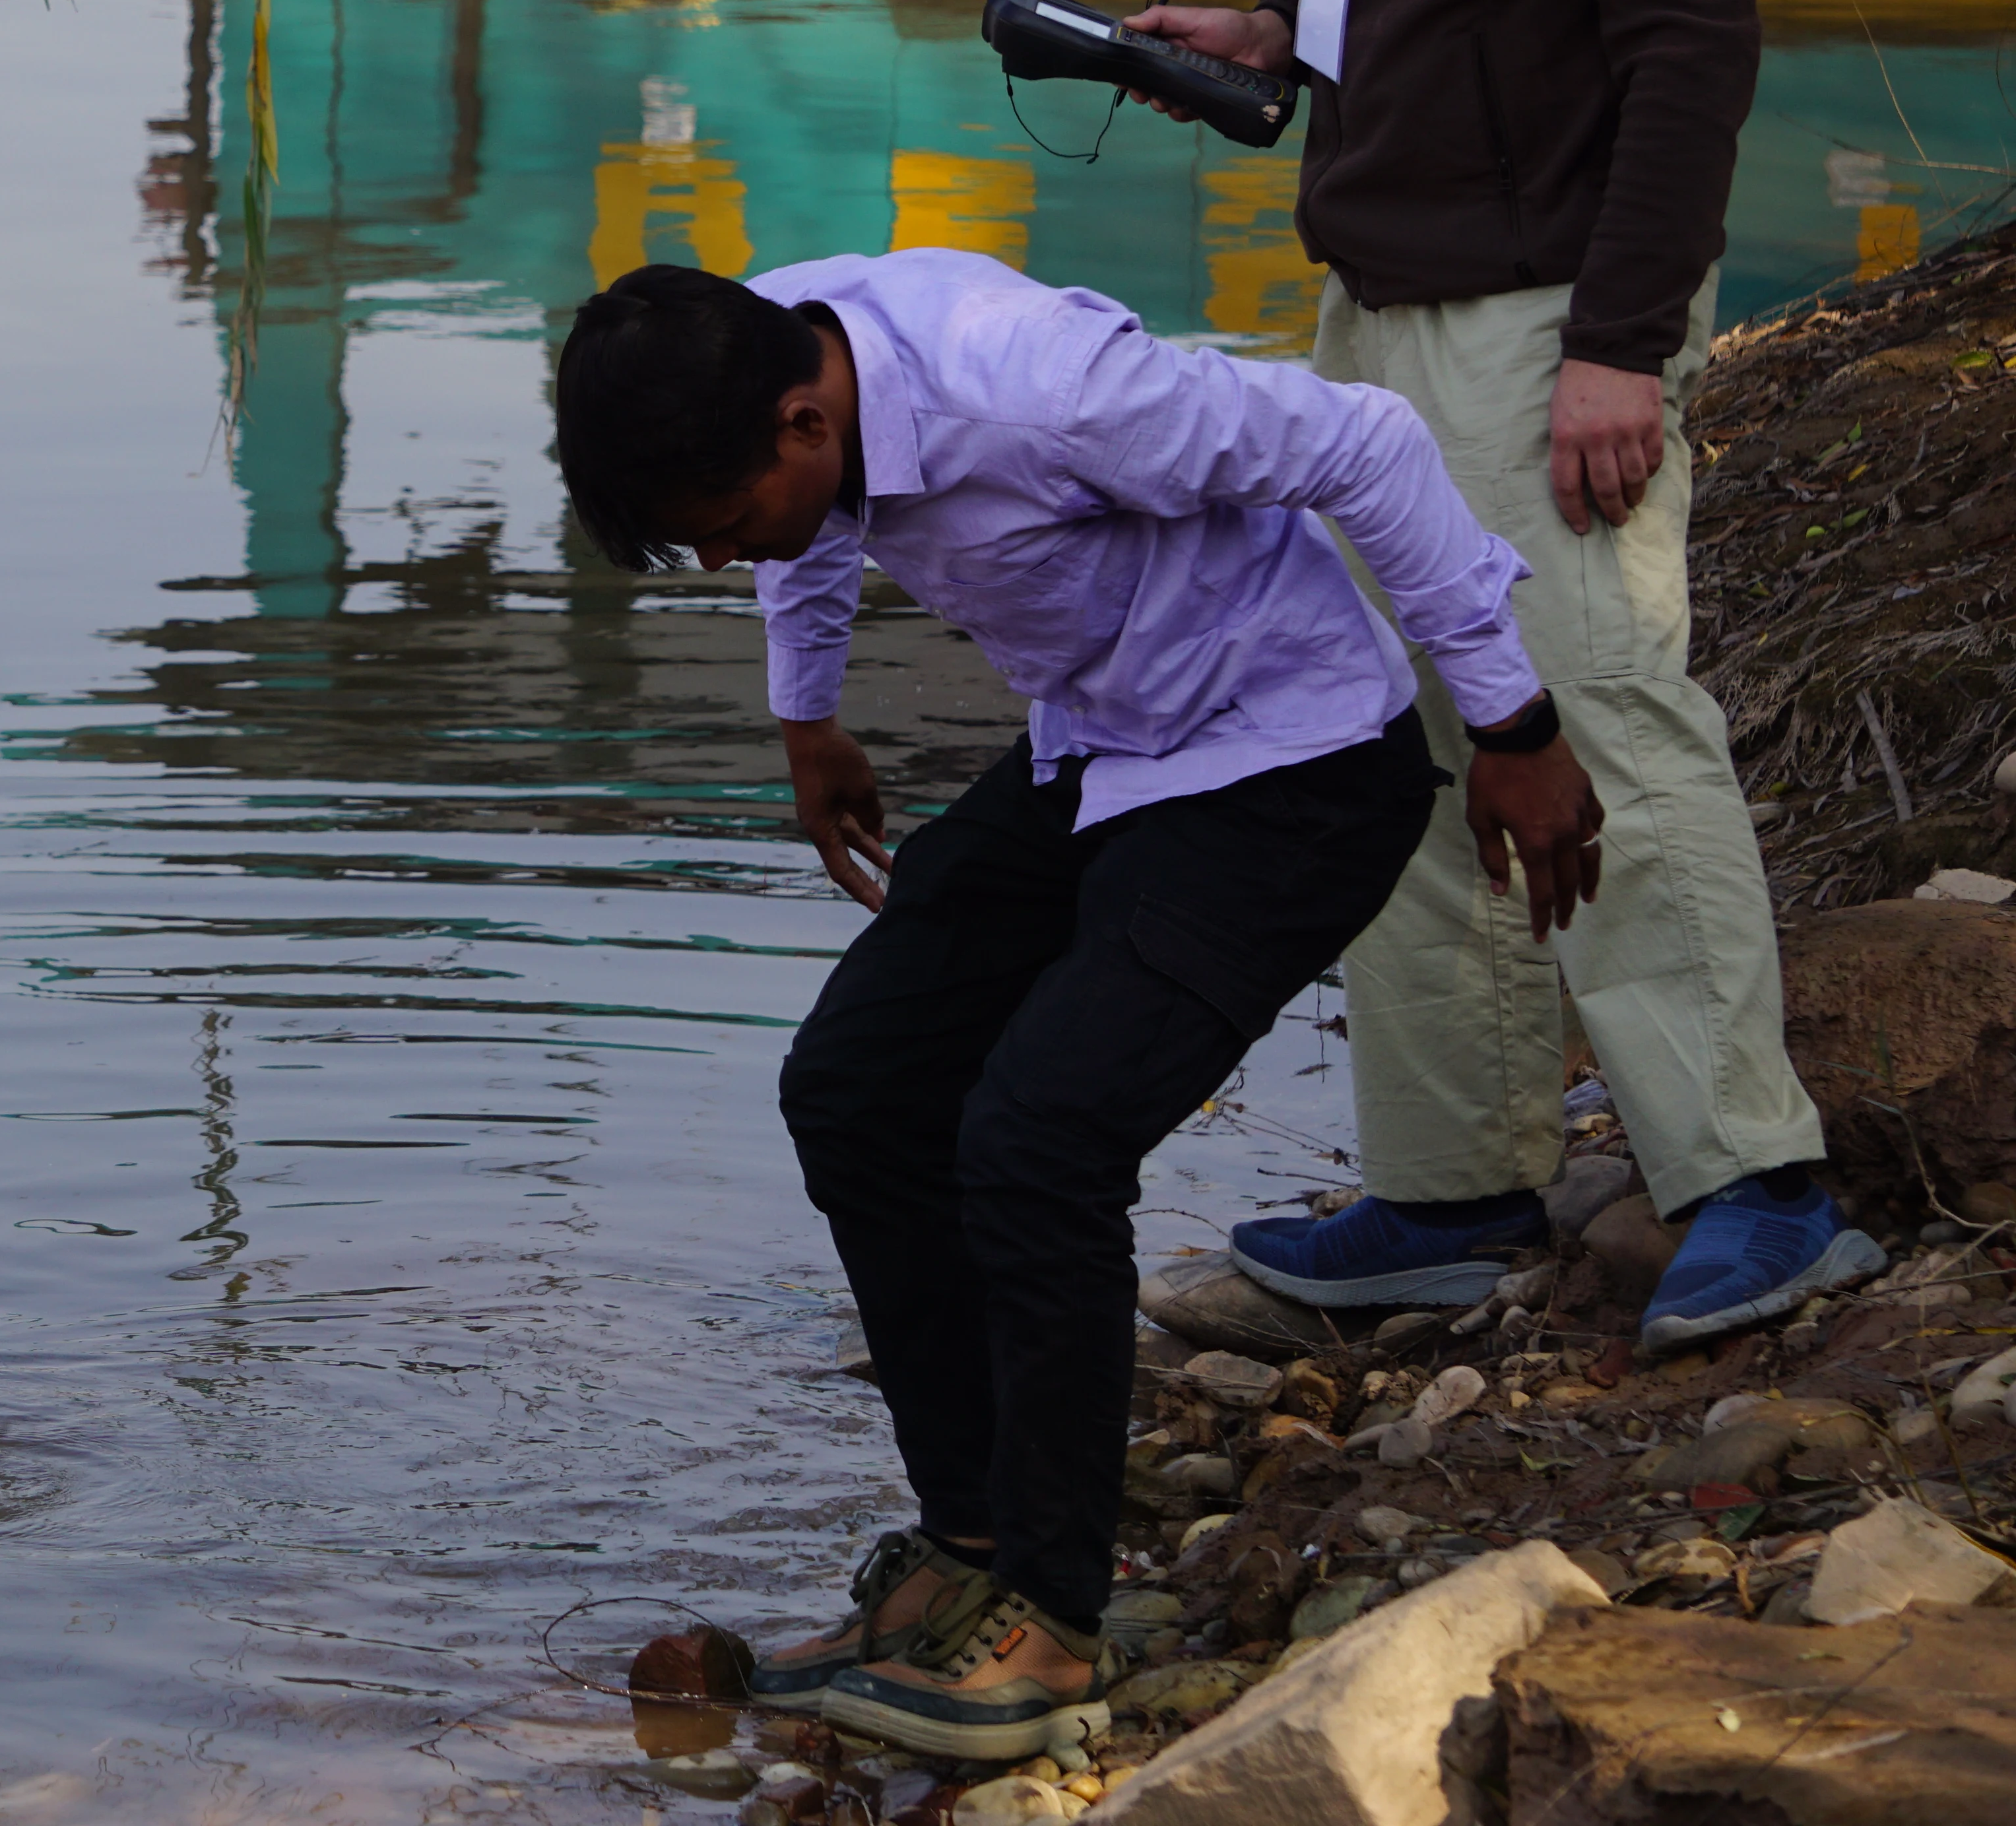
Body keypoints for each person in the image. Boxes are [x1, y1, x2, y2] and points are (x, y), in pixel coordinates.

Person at [555, 251, 1598, 1759]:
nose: (728, 561)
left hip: (1289, 762)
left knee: (1039, 1135)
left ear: (802, 424)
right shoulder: (756, 342)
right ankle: (970, 1543)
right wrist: (807, 713)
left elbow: (1366, 442)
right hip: (1102, 744)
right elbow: (805, 537)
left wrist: (1513, 720)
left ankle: (1050, 1613)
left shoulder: (1047, 388)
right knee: (856, 1084)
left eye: (726, 530)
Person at [1125, 0, 1868, 1353]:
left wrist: (1626, 342)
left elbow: (1688, 48)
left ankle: (1757, 1180)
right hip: (1388, 300)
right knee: (1403, 732)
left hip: (1550, 314)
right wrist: (1274, 42)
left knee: (1594, 709)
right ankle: (1455, 1184)